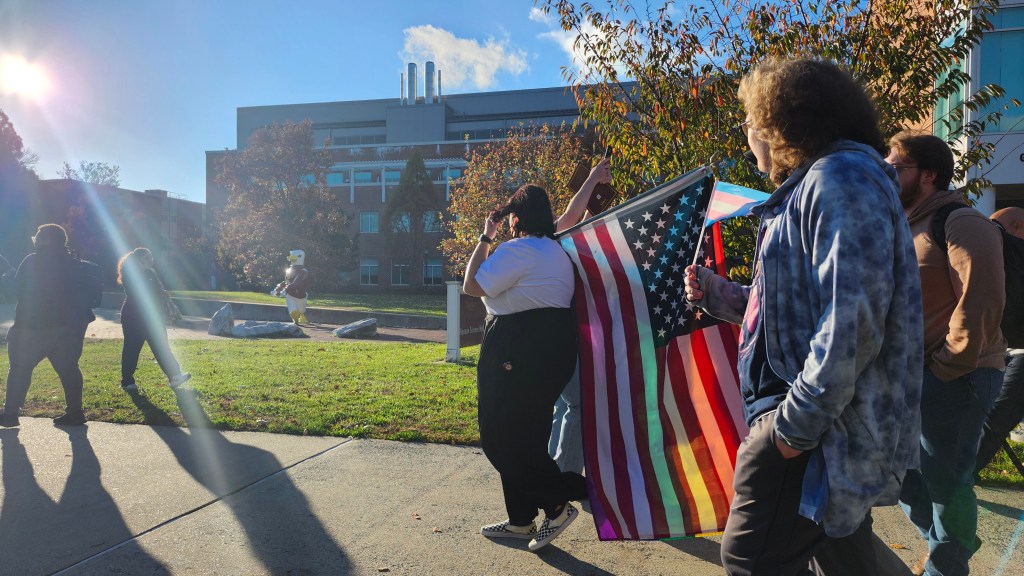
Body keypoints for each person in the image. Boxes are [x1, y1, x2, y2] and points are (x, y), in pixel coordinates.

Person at [684, 58, 922, 575]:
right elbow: (783, 310)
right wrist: (716, 293)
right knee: (844, 555)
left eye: (749, 121)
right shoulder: (821, 181)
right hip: (813, 419)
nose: (747, 134)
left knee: (750, 560)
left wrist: (792, 430)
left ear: (778, 122)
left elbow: (852, 320)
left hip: (811, 423)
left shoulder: (840, 178)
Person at [885, 132, 1006, 576]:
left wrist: (948, 368)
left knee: (946, 482)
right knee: (898, 473)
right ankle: (952, 542)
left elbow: (982, 300)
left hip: (959, 373)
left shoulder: (961, 221)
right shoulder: (906, 225)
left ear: (929, 174)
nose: (887, 175)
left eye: (895, 168)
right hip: (914, 375)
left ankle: (946, 563)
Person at [463, 183, 587, 552]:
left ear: (515, 218)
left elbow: (471, 285)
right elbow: (569, 215)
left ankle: (556, 503)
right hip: (553, 348)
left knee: (499, 436)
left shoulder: (518, 250)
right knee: (528, 436)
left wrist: (486, 237)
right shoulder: (555, 247)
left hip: (516, 347)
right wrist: (593, 180)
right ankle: (520, 520)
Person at [1, 224, 101, 427]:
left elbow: (15, 292)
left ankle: (10, 414)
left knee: (20, 368)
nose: (35, 238)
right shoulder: (76, 263)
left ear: (45, 239)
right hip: (70, 329)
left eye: (37, 235)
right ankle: (74, 413)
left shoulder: (33, 261)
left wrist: (7, 277)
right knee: (69, 369)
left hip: (33, 327)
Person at [548, 157, 611, 474]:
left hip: (562, 333)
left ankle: (552, 471)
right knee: (577, 404)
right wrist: (593, 180)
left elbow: (579, 223)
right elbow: (570, 218)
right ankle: (563, 478)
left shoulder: (544, 245)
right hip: (559, 336)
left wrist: (597, 189)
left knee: (563, 404)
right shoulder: (546, 239)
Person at [975, 206, 1024, 475]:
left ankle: (962, 477)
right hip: (1001, 349)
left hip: (1017, 352)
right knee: (988, 417)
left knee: (995, 418)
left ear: (1016, 226)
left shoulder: (1005, 244)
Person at [117, 247, 191, 393]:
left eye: (151, 257)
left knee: (162, 347)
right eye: (147, 259)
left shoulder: (150, 273)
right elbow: (139, 294)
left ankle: (175, 376)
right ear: (138, 261)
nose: (151, 261)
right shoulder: (130, 275)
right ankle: (127, 381)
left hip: (152, 317)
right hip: (134, 318)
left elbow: (157, 294)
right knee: (132, 349)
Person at [272, 249, 311, 325]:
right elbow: (286, 282)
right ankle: (296, 321)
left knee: (302, 310)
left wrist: (285, 290)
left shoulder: (304, 272)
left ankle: (301, 317)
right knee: (293, 311)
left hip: (301, 296)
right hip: (290, 295)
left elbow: (296, 283)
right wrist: (278, 289)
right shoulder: (289, 270)